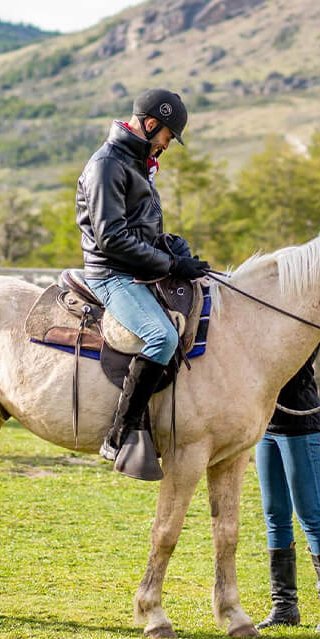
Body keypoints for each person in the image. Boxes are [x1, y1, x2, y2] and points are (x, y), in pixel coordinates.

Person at [75, 88, 210, 481]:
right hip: (111, 274)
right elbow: (112, 238)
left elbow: (141, 228)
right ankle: (117, 435)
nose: (168, 144)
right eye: (169, 135)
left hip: (139, 268)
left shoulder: (137, 163)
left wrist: (172, 246)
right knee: (162, 337)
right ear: (151, 125)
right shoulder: (107, 165)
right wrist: (171, 263)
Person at [254, 345, 320, 632]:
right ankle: (284, 607)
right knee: (275, 516)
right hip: (265, 425)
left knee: (310, 515)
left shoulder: (296, 320)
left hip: (299, 423)